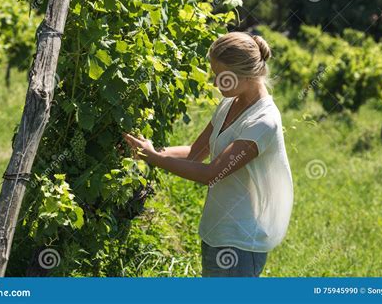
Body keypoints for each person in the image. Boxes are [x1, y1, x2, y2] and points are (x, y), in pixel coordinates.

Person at [123, 32, 293, 277]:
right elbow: (195, 153)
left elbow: (213, 173)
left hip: (240, 241)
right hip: (217, 231)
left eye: (221, 76)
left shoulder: (263, 122)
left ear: (246, 74)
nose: (215, 83)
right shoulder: (229, 104)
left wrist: (155, 158)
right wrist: (147, 150)